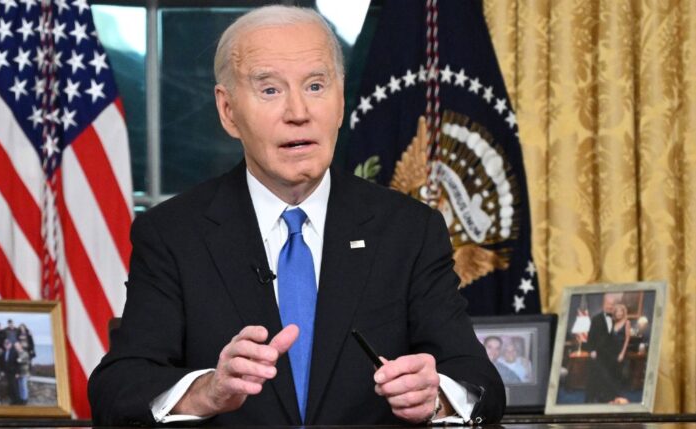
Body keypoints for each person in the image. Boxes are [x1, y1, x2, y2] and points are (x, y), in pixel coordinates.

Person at [88, 5, 504, 426]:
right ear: (228, 110)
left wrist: (436, 398)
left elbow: (479, 382)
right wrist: (208, 392)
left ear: (341, 102)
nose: (298, 112)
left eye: (316, 85)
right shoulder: (173, 234)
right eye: (270, 90)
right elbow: (117, 388)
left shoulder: (410, 231)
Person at [584, 293, 621, 403]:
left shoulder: (617, 319)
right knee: (596, 378)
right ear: (603, 304)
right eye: (608, 304)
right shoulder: (596, 319)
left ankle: (608, 399)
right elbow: (590, 339)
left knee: (611, 379)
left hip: (611, 356)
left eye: (612, 304)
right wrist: (591, 351)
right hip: (598, 355)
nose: (610, 306)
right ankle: (590, 400)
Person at [1, 339, 21, 405]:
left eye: (8, 344)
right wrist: (3, 371)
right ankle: (13, 401)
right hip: (7, 373)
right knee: (10, 387)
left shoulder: (14, 352)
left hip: (14, 373)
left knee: (15, 387)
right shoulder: (4, 353)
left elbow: (18, 363)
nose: (7, 345)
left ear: (10, 344)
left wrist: (18, 373)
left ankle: (18, 401)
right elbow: (3, 363)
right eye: (5, 344)